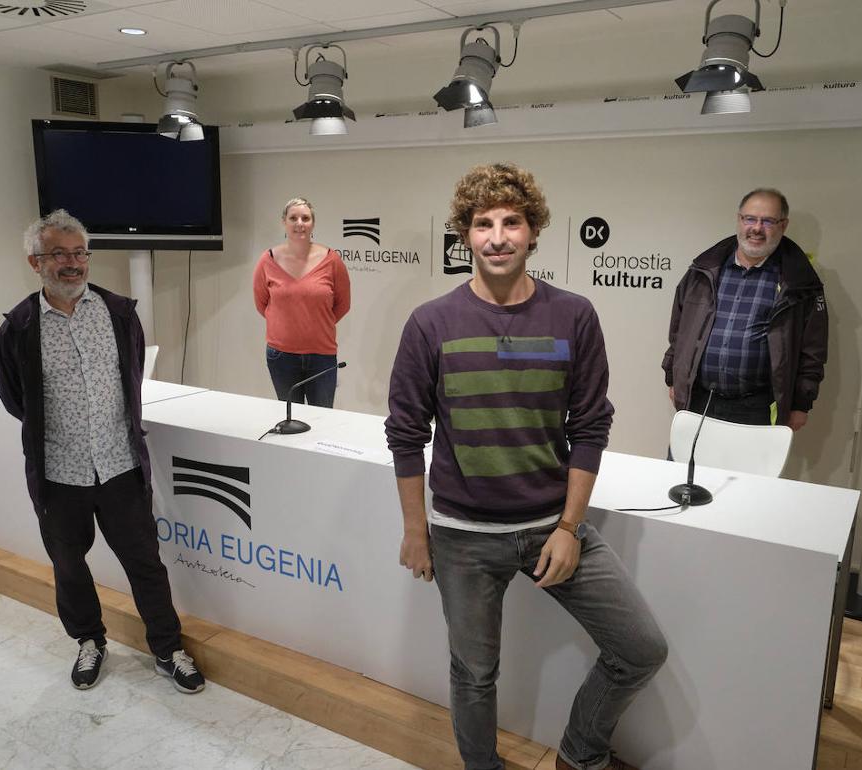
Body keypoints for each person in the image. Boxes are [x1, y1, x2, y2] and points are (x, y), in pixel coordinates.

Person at [385, 163, 667, 770]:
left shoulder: (574, 316)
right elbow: (406, 435)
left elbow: (590, 425)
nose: (498, 236)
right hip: (462, 537)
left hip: (551, 527)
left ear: (533, 231)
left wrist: (568, 528)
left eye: (512, 221)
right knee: (474, 674)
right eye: (483, 223)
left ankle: (579, 754)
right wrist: (416, 530)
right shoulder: (430, 323)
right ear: (464, 235)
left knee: (641, 649)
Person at [0, 209, 205, 694]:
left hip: (120, 467)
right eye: (59, 255)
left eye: (79, 253)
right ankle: (89, 640)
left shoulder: (118, 314)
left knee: (145, 562)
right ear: (36, 262)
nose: (72, 264)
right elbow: (14, 398)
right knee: (69, 565)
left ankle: (168, 648)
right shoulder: (20, 327)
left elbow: (130, 378)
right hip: (58, 473)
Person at [662, 188, 828, 430]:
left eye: (768, 221)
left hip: (758, 408)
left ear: (783, 225)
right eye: (750, 218)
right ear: (739, 220)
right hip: (699, 400)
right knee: (685, 468)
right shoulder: (704, 270)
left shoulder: (800, 282)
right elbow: (678, 330)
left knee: (745, 470)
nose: (757, 228)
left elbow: (812, 350)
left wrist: (801, 404)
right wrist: (673, 376)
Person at [253, 197, 351, 407]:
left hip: (322, 356)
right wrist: (289, 324)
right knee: (290, 421)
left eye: (305, 218)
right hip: (281, 357)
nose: (299, 223)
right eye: (293, 218)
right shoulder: (267, 260)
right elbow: (262, 304)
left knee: (322, 419)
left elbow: (343, 304)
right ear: (284, 222)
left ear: (313, 223)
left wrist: (315, 324)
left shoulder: (332, 260)